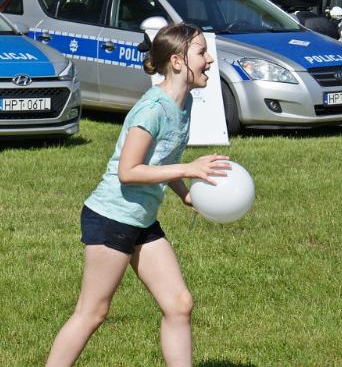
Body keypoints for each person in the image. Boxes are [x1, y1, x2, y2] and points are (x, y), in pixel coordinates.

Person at [45, 23, 230, 367]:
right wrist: (188, 169)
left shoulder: (184, 103)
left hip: (141, 219)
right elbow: (128, 171)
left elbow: (163, 158)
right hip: (112, 217)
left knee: (179, 304)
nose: (209, 60)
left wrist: (187, 195)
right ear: (177, 61)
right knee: (92, 313)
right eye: (202, 52)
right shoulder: (152, 110)